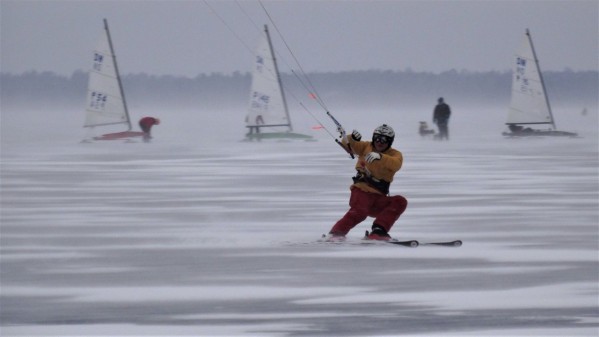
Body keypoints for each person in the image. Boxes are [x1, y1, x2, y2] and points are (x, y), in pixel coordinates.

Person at [326, 124, 408, 241]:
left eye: (384, 140)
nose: (380, 142)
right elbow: (348, 145)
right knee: (360, 211)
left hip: (378, 197)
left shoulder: (395, 154)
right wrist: (351, 138)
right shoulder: (365, 147)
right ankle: (336, 233)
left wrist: (380, 157)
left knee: (400, 202)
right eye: (377, 138)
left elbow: (396, 164)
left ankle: (379, 231)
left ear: (390, 142)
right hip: (362, 191)